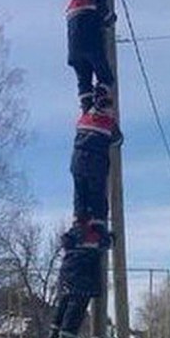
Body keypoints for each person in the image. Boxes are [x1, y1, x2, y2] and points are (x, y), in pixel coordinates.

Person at [69, 103, 122, 250]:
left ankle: (79, 224)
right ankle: (97, 227)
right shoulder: (108, 122)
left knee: (80, 195)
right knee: (97, 196)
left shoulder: (84, 119)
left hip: (77, 163)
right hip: (96, 166)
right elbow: (118, 140)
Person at [46, 246, 102, 338]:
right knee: (75, 311)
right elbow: (103, 241)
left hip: (67, 276)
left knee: (63, 308)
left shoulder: (73, 236)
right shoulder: (92, 232)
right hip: (84, 278)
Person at [65, 0, 115, 112]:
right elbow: (106, 18)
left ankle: (86, 103)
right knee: (105, 76)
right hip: (92, 47)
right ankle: (101, 96)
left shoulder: (70, 12)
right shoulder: (92, 6)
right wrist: (110, 18)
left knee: (84, 80)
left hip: (74, 54)